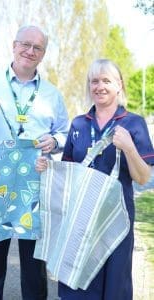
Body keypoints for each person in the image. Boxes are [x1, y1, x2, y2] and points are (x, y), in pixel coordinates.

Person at [0, 25, 69, 300]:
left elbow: (64, 133)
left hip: (34, 185)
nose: (30, 51)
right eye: (25, 44)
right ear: (14, 45)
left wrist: (55, 141)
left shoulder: (52, 94)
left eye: (37, 47)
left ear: (43, 54)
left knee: (34, 266)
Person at [36, 58, 154, 300]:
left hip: (116, 219)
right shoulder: (79, 123)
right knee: (77, 282)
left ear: (119, 85)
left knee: (114, 286)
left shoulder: (134, 123)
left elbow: (143, 178)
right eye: (94, 81)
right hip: (80, 216)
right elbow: (69, 172)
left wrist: (130, 148)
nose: (99, 86)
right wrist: (48, 167)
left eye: (106, 81)